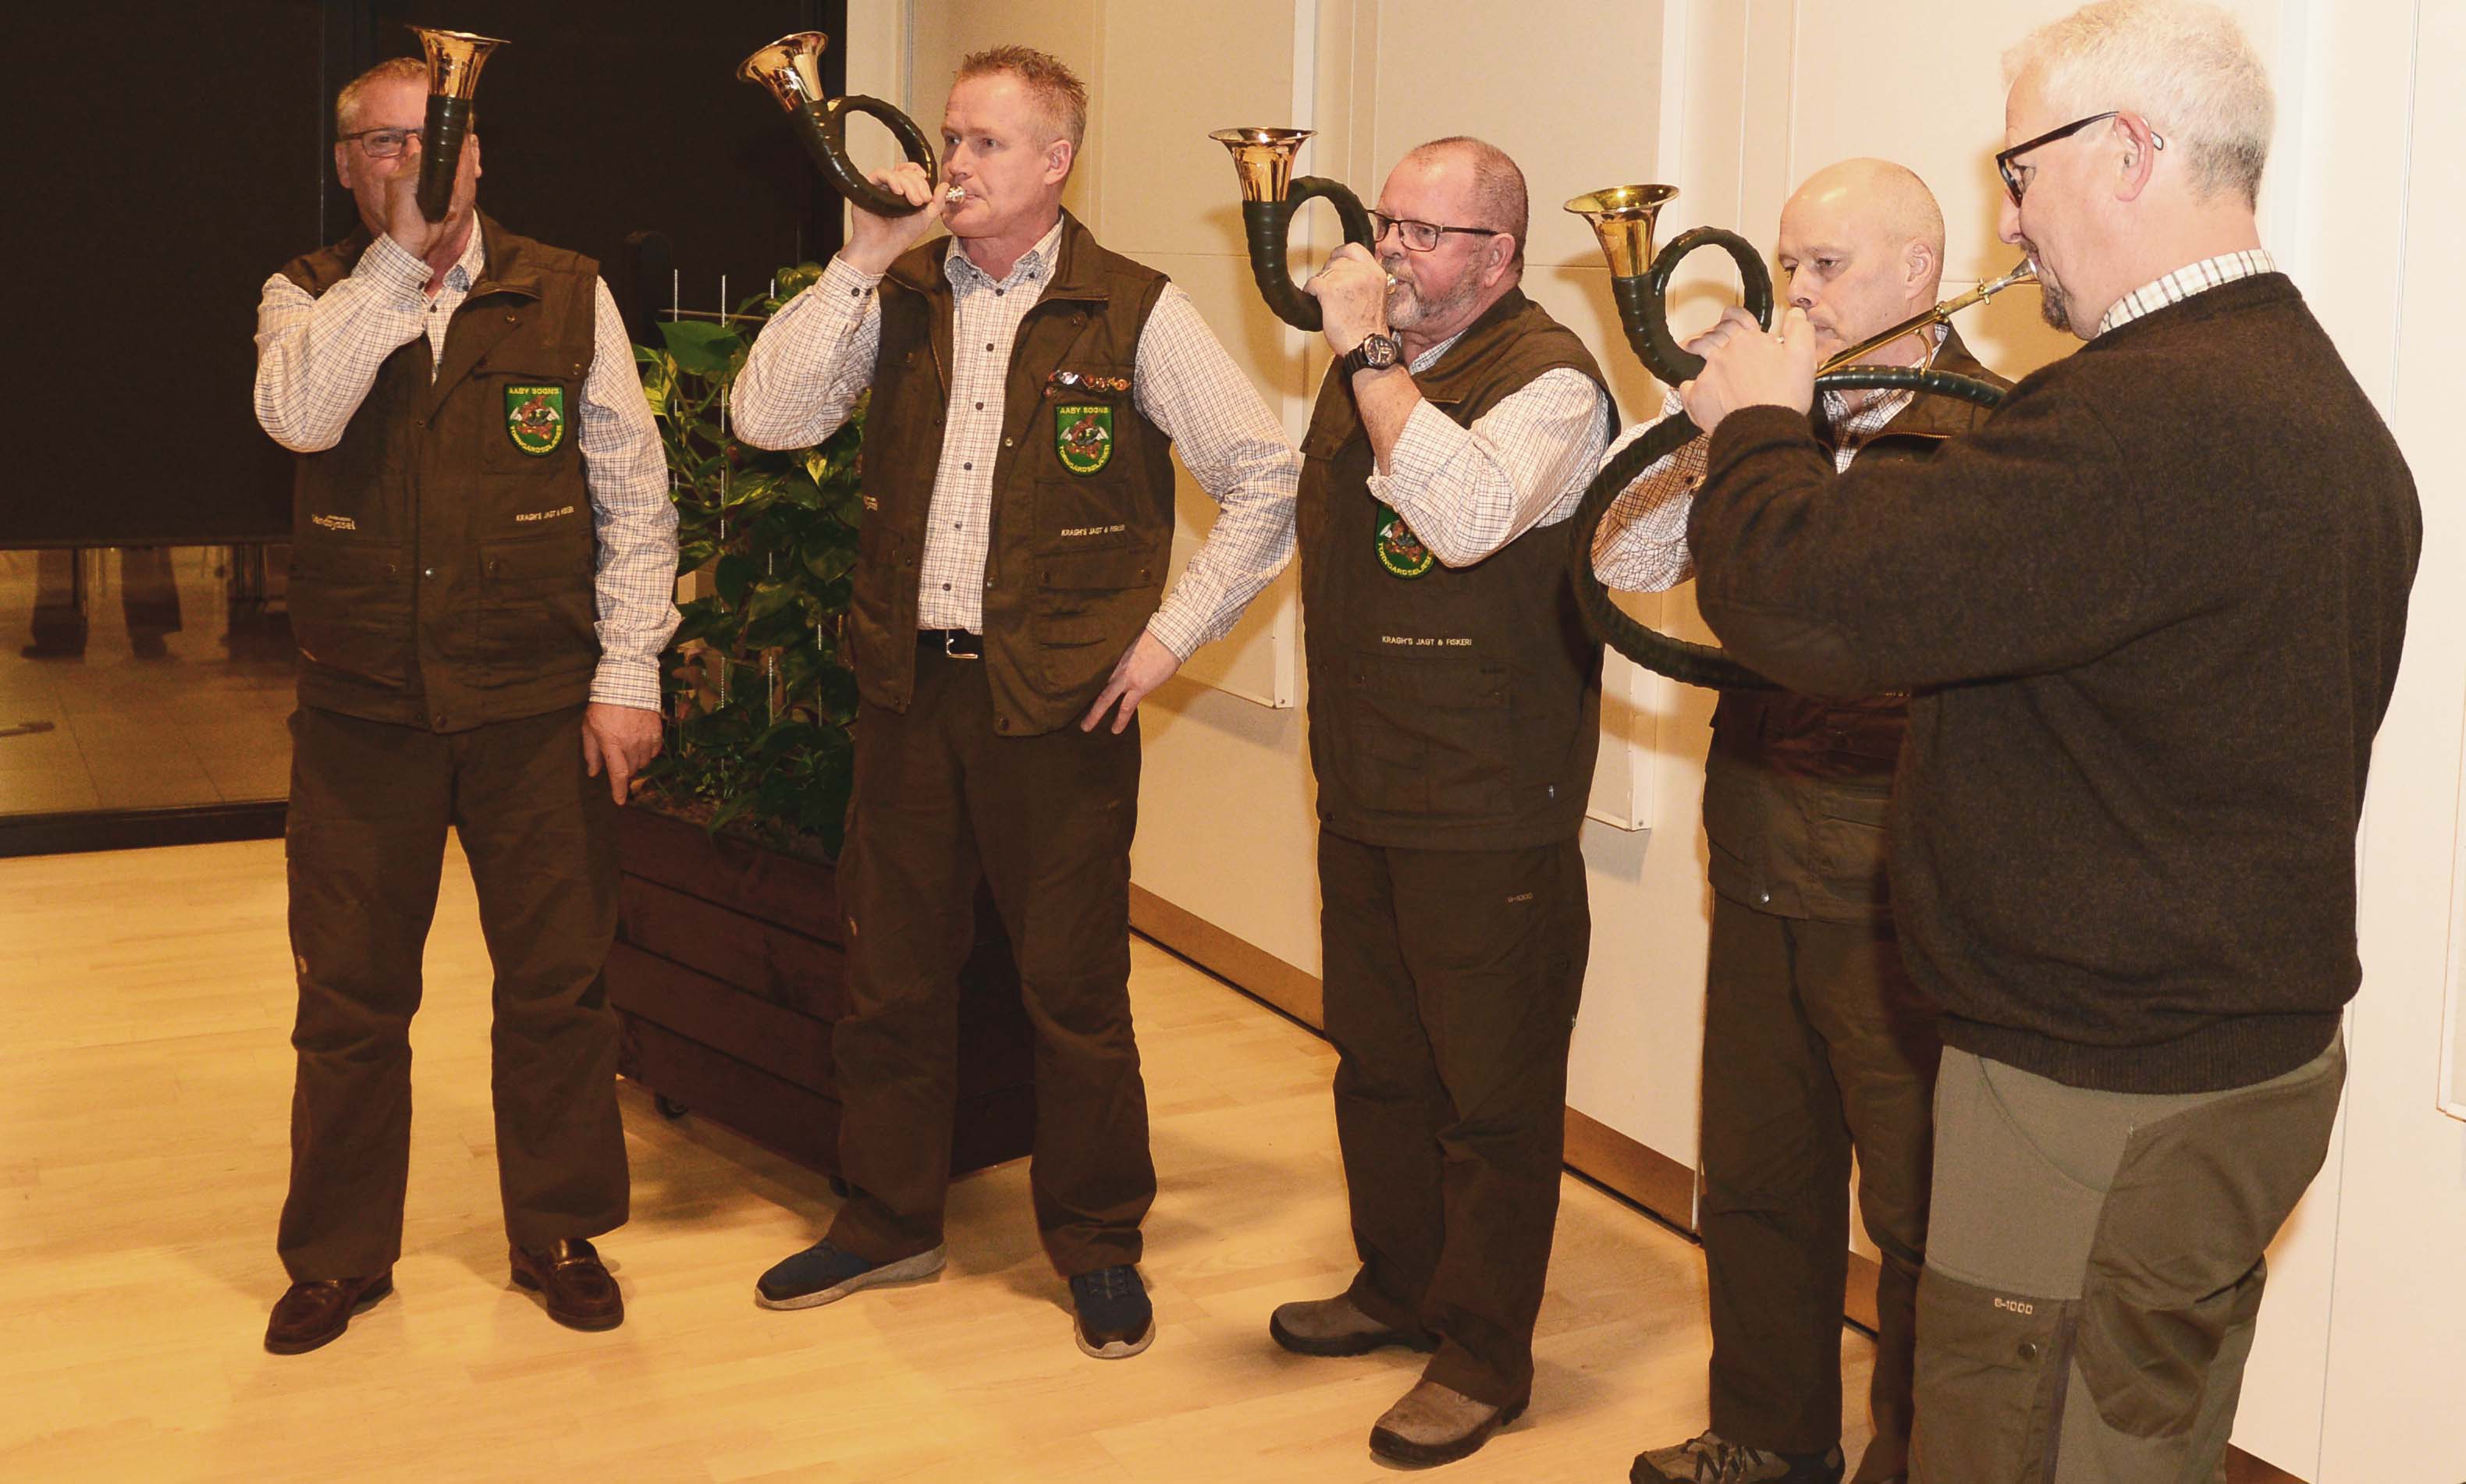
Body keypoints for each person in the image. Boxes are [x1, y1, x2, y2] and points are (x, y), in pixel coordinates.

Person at [1672, 4, 2419, 1480]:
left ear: (2128, 152)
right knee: (2138, 1429)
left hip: (2099, 1090)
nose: (2008, 219)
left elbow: (1799, 601)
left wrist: (1758, 428)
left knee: (2017, 1446)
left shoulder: (2137, 422)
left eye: (2019, 173)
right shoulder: (2318, 400)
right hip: (2229, 1058)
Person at [727, 46, 1300, 1362]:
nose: (956, 164)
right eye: (951, 138)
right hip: (908, 691)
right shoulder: (898, 290)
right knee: (891, 976)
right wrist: (863, 255)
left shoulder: (1135, 309)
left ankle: (1096, 1240)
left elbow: (1263, 478)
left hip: (1060, 709)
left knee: (1074, 993)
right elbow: (768, 418)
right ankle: (887, 1219)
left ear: (1056, 162)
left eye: (986, 143)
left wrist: (1167, 639)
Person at [251, 55, 678, 1353]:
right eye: (385, 144)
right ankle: (339, 1255)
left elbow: (634, 493)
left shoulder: (570, 292)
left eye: (436, 138)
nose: (416, 163)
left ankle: (559, 1230)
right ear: (348, 167)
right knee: (349, 1000)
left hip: (537, 706)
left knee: (558, 987)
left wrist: (628, 674)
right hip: (361, 713)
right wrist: (399, 263)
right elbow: (299, 418)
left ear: (478, 153)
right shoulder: (305, 293)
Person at [1597, 159, 2009, 1484]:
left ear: (1918, 273)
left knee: (1918, 1212)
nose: (1799, 293)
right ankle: (1768, 1435)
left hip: (1895, 893)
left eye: (1827, 266)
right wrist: (1711, 432)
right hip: (1762, 854)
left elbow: (1855, 605)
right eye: (1789, 265)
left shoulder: (1986, 437)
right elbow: (1620, 558)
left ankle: (1913, 1460)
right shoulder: (1779, 414)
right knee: (1759, 1179)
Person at [1266, 137, 1612, 1468]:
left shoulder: (1553, 383)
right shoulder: (1374, 370)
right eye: (1386, 222)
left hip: (1489, 803)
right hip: (1365, 785)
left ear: (1498, 256)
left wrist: (1368, 354)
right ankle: (1398, 1283)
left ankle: (1482, 1355)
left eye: (1423, 232)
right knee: (1379, 1064)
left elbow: (1463, 516)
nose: (1388, 251)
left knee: (1492, 1097)